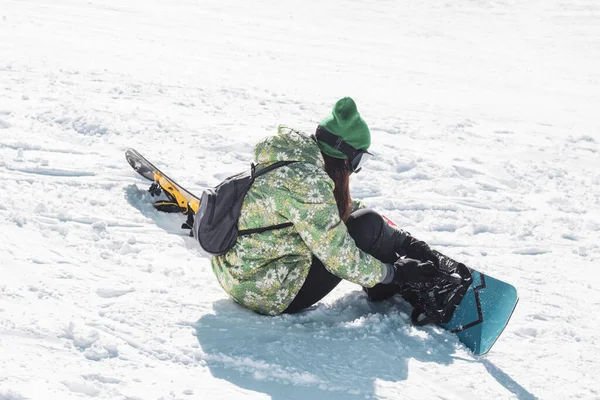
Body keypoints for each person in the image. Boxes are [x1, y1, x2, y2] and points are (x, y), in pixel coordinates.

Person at [210, 97, 445, 316]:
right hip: (267, 293)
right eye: (359, 160)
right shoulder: (307, 183)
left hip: (238, 276)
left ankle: (393, 276)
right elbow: (338, 256)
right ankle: (399, 286)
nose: (357, 169)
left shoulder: (295, 162)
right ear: (345, 156)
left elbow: (334, 210)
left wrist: (403, 240)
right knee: (366, 224)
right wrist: (394, 273)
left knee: (367, 222)